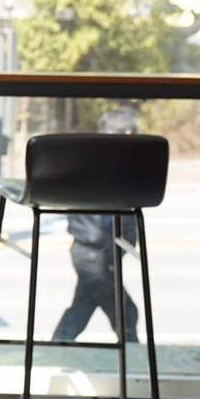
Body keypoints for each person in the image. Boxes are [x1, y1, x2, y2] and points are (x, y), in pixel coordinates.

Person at [52, 107, 142, 342]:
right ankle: (133, 362)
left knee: (94, 308)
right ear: (129, 133)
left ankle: (55, 350)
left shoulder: (91, 158)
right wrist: (110, 260)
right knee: (122, 314)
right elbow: (104, 221)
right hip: (98, 256)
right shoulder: (113, 166)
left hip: (92, 254)